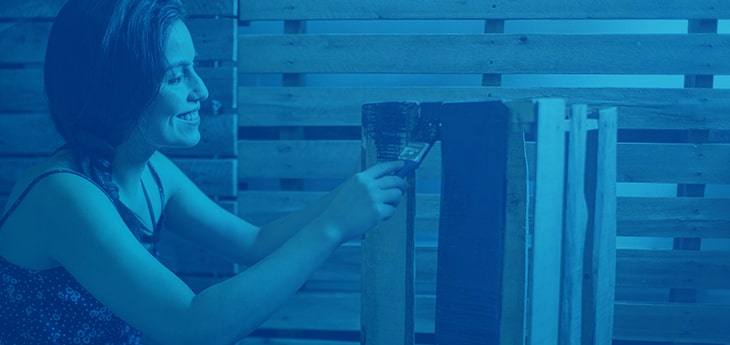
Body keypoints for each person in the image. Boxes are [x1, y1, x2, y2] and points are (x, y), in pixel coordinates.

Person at [0, 0, 407, 344]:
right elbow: (191, 327)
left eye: (195, 68)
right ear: (117, 89)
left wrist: (350, 194)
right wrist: (334, 226)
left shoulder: (154, 172)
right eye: (176, 76)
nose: (201, 90)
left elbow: (254, 243)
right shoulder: (63, 195)